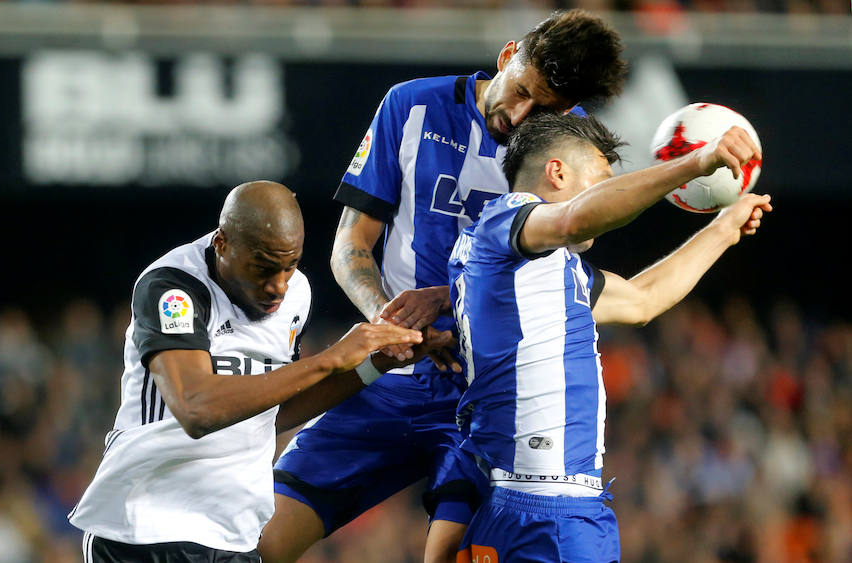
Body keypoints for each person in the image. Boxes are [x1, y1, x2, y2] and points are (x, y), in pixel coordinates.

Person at [261, 10, 628, 563]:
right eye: (522, 91)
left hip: (491, 404)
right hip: (388, 379)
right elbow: (349, 245)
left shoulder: (569, 151)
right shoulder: (411, 105)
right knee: (260, 541)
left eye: (545, 108)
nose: (521, 116)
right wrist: (391, 324)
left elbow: (568, 269)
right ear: (508, 56)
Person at [67, 181, 449, 562]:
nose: (278, 286)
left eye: (290, 265)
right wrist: (327, 359)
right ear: (222, 244)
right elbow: (196, 409)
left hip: (233, 536)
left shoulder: (296, 294)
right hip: (144, 528)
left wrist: (379, 363)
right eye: (263, 268)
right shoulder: (173, 290)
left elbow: (270, 412)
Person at [448, 111, 771, 562]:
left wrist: (723, 230)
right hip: (553, 511)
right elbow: (575, 219)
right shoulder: (504, 222)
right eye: (602, 179)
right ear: (556, 172)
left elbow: (642, 299)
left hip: (520, 502)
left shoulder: (539, 269)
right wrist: (696, 162)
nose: (607, 192)